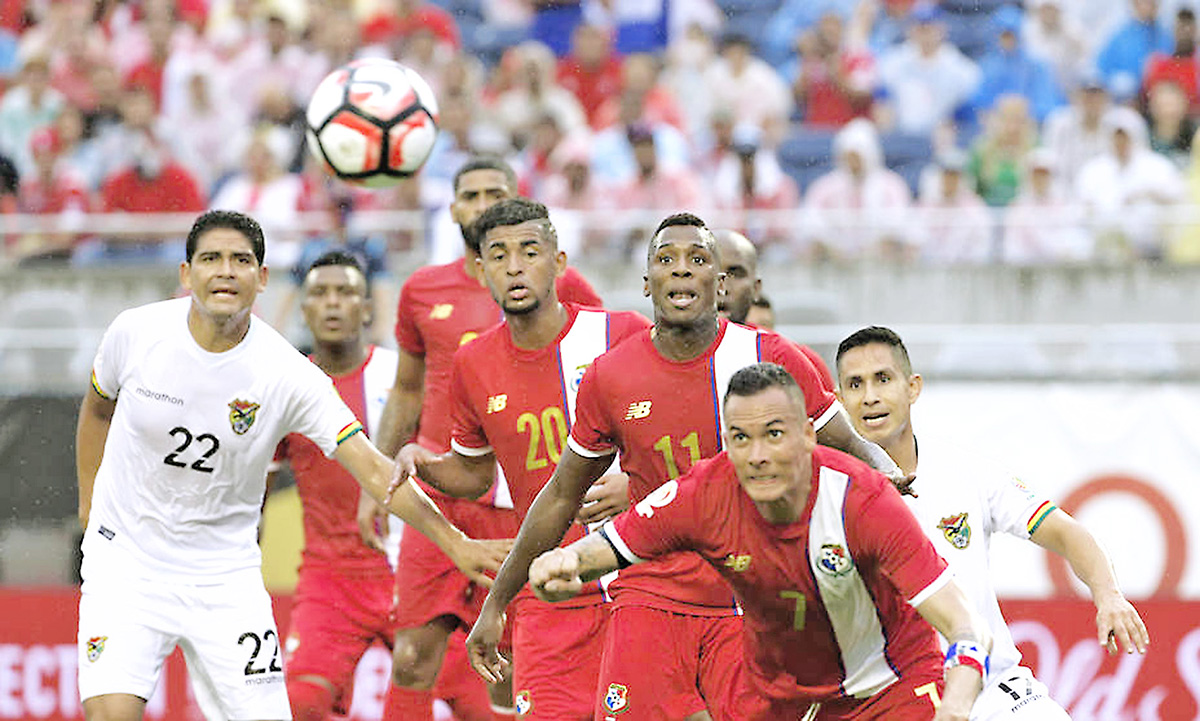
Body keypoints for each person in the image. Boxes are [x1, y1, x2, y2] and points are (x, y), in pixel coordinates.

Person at [466, 213, 904, 720]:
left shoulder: (770, 356)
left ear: (719, 283)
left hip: (751, 599)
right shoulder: (611, 377)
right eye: (665, 260)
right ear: (646, 282)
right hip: (648, 598)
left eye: (696, 260)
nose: (680, 271)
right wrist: (497, 601)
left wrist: (888, 475)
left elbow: (848, 444)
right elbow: (561, 495)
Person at [74, 210, 508, 721]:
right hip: (129, 564)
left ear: (262, 279)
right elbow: (98, 409)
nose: (225, 272)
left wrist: (455, 543)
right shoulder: (135, 332)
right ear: (186, 274)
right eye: (211, 259)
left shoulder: (288, 375)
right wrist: (89, 508)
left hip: (223, 577)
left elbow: (371, 467)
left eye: (241, 261)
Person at [524, 362, 992, 721]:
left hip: (889, 690)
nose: (759, 456)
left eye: (774, 435)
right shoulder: (703, 493)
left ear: (809, 436)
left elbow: (966, 625)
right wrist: (565, 562)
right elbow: (610, 546)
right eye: (741, 439)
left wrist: (955, 704)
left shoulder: (862, 500)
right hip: (785, 701)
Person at [391, 198, 650, 719]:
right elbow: (473, 471)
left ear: (558, 263)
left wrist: (634, 485)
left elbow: (682, 433)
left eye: (529, 252)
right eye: (499, 255)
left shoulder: (620, 335)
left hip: (635, 584)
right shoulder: (473, 362)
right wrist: (425, 462)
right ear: (481, 269)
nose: (514, 266)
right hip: (544, 587)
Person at [366, 156, 603, 721]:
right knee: (412, 657)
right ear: (452, 210)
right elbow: (405, 390)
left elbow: (612, 380)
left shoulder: (580, 302)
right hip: (450, 488)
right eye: (469, 196)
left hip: (534, 499)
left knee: (520, 661)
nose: (481, 205)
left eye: (493, 193)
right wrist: (378, 477)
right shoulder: (425, 292)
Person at [834, 326, 1151, 720]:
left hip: (998, 689)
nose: (870, 396)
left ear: (912, 387)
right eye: (855, 384)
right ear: (840, 399)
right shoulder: (831, 495)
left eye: (883, 379)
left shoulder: (965, 471)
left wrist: (1108, 595)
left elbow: (1066, 532)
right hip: (902, 702)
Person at [269, 250, 491, 721]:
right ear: (303, 309)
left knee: (480, 706)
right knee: (300, 704)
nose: (333, 304)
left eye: (346, 292)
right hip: (332, 580)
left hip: (411, 569)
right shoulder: (283, 387)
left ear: (367, 309)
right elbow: (255, 483)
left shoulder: (402, 379)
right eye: (319, 294)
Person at [713, 228, 835, 390]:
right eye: (713, 273)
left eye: (735, 274)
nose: (723, 287)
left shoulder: (800, 362)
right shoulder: (669, 360)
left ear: (756, 288)